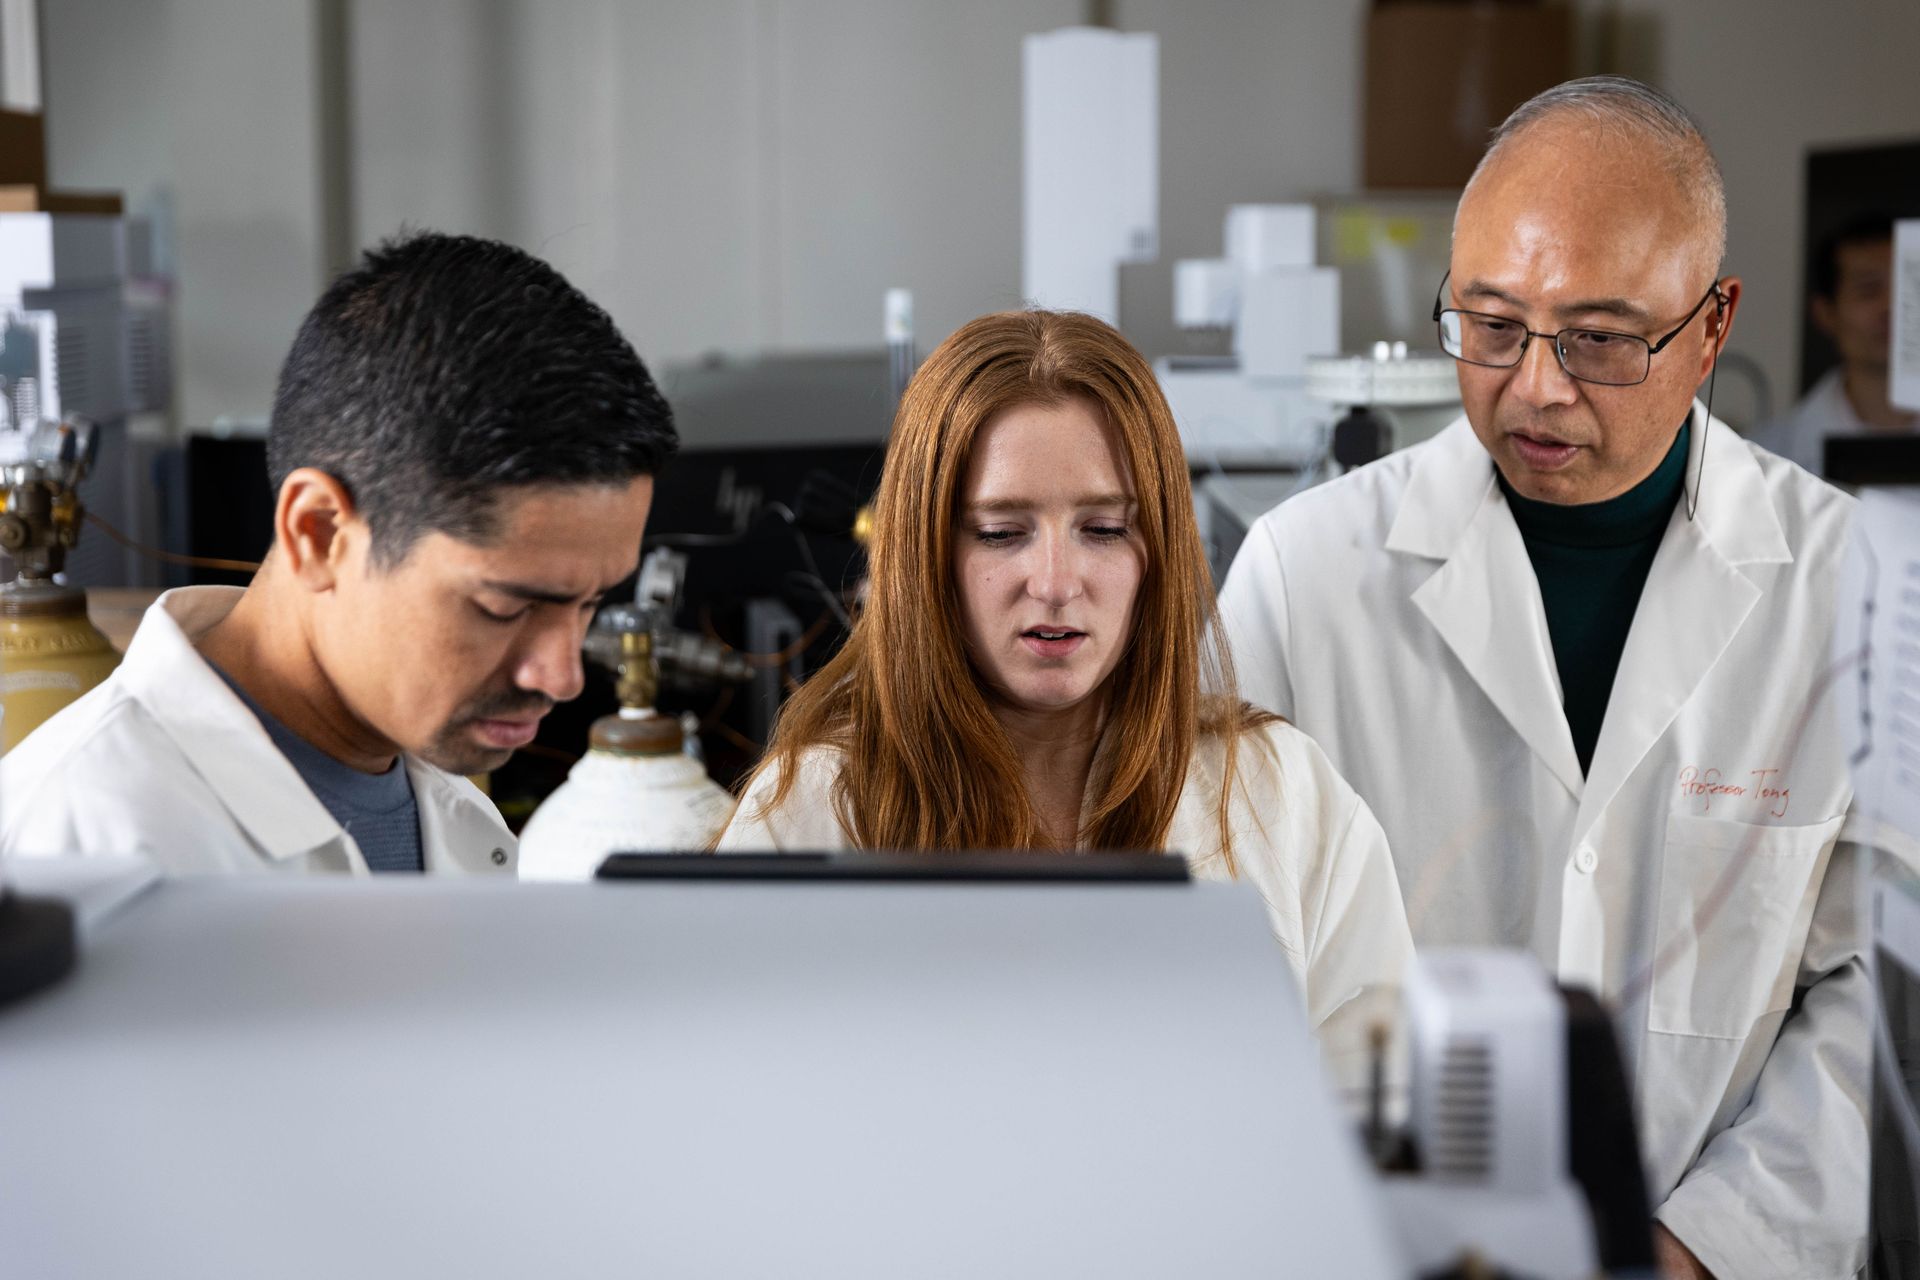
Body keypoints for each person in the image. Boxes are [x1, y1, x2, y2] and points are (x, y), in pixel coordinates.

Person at [1220, 77, 1862, 1280]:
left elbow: (1877, 1000)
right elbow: (1223, 965)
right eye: (1493, 325)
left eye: (1601, 339)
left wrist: (1703, 1248)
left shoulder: (1848, 592)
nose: (1537, 387)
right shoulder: (1301, 579)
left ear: (1713, 326)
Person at [716, 309, 1413, 1077]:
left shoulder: (1282, 794)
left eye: (1104, 528)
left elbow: (1380, 1112)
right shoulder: (809, 811)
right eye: (1000, 532)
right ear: (925, 555)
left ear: (1160, 551)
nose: (1053, 584)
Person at [0, 232, 678, 875]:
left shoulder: (457, 815)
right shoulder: (78, 841)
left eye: (591, 604)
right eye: (505, 605)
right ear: (319, 532)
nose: (562, 678)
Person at [1750, 213, 1916, 475]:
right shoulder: (1767, 455)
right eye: (1869, 290)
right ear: (1826, 313)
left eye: (1909, 288)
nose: (1893, 307)